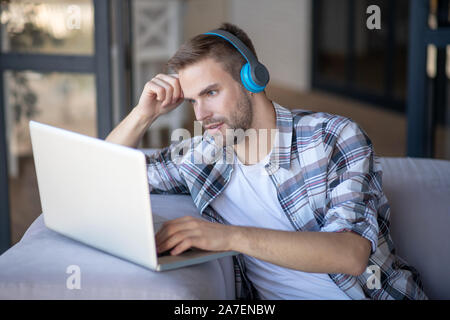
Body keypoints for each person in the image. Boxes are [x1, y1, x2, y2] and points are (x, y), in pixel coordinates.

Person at [105, 22, 427, 300]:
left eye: (211, 93)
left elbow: (351, 254)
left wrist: (229, 237)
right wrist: (142, 114)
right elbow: (103, 176)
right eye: (192, 101)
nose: (200, 115)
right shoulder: (203, 155)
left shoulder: (333, 137)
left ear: (252, 79)